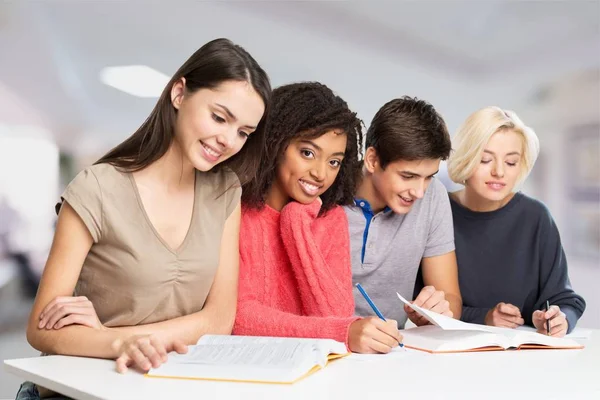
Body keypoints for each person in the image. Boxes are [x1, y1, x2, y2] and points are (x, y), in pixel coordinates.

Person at [22, 38, 271, 399]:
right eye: (219, 117)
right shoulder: (98, 188)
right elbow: (41, 329)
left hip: (156, 389)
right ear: (179, 94)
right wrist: (122, 342)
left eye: (243, 132)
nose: (228, 140)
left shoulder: (225, 192)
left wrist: (107, 335)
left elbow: (219, 320)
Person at [233, 82, 402, 354]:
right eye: (308, 153)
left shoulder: (331, 219)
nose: (320, 174)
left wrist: (296, 224)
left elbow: (333, 314)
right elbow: (240, 319)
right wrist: (341, 333)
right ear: (276, 143)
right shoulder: (238, 212)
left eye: (334, 161)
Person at [447, 106, 585, 336]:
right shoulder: (440, 211)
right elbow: (424, 303)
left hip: (523, 357)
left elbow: (565, 298)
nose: (499, 172)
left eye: (511, 162)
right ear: (466, 158)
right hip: (449, 354)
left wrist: (560, 319)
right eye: (485, 160)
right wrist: (484, 317)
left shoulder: (536, 217)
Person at [345, 96, 462, 329]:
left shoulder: (433, 196)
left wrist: (437, 310)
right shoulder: (325, 187)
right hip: (324, 345)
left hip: (390, 348)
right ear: (372, 160)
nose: (419, 192)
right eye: (408, 176)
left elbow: (451, 299)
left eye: (429, 176)